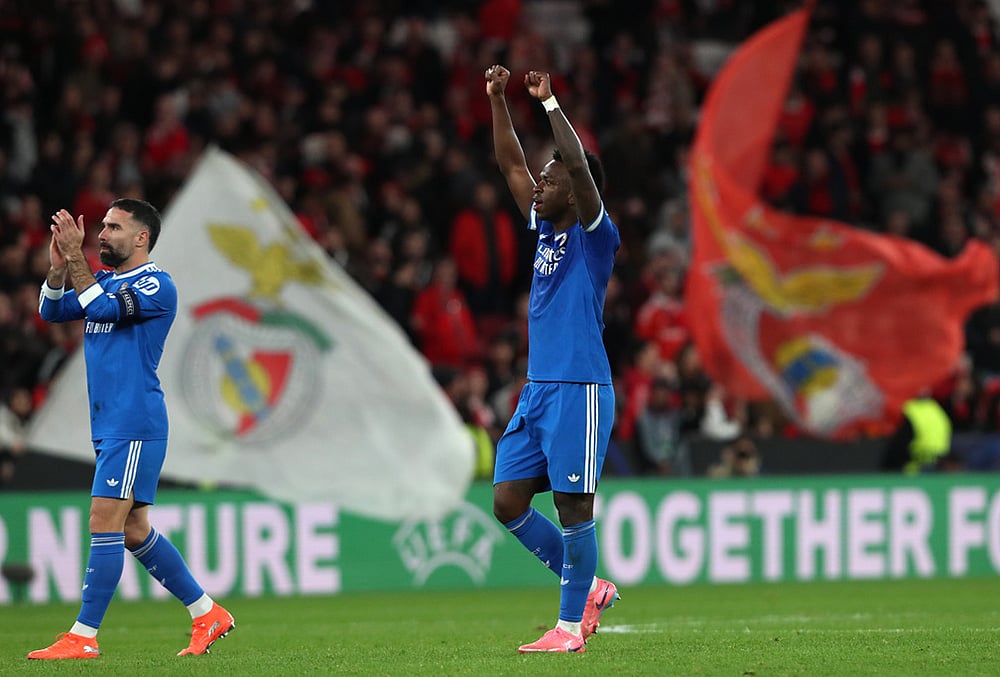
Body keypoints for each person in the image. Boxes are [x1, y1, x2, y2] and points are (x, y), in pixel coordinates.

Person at [29, 199, 234, 660]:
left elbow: (100, 310)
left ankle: (83, 635)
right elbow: (52, 311)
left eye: (113, 227)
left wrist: (78, 259)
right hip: (110, 422)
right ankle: (206, 613)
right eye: (101, 226)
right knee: (134, 529)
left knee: (104, 519)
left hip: (134, 421)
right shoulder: (101, 280)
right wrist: (59, 267)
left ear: (141, 237)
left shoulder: (156, 284)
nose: (101, 234)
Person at [485, 64, 621, 654]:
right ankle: (588, 589)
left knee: (573, 507)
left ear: (577, 187)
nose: (539, 181)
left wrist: (549, 105)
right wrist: (497, 101)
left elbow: (579, 171)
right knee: (508, 500)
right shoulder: (545, 230)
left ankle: (568, 629)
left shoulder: (596, 236)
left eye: (552, 175)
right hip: (539, 388)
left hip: (580, 387)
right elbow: (511, 165)